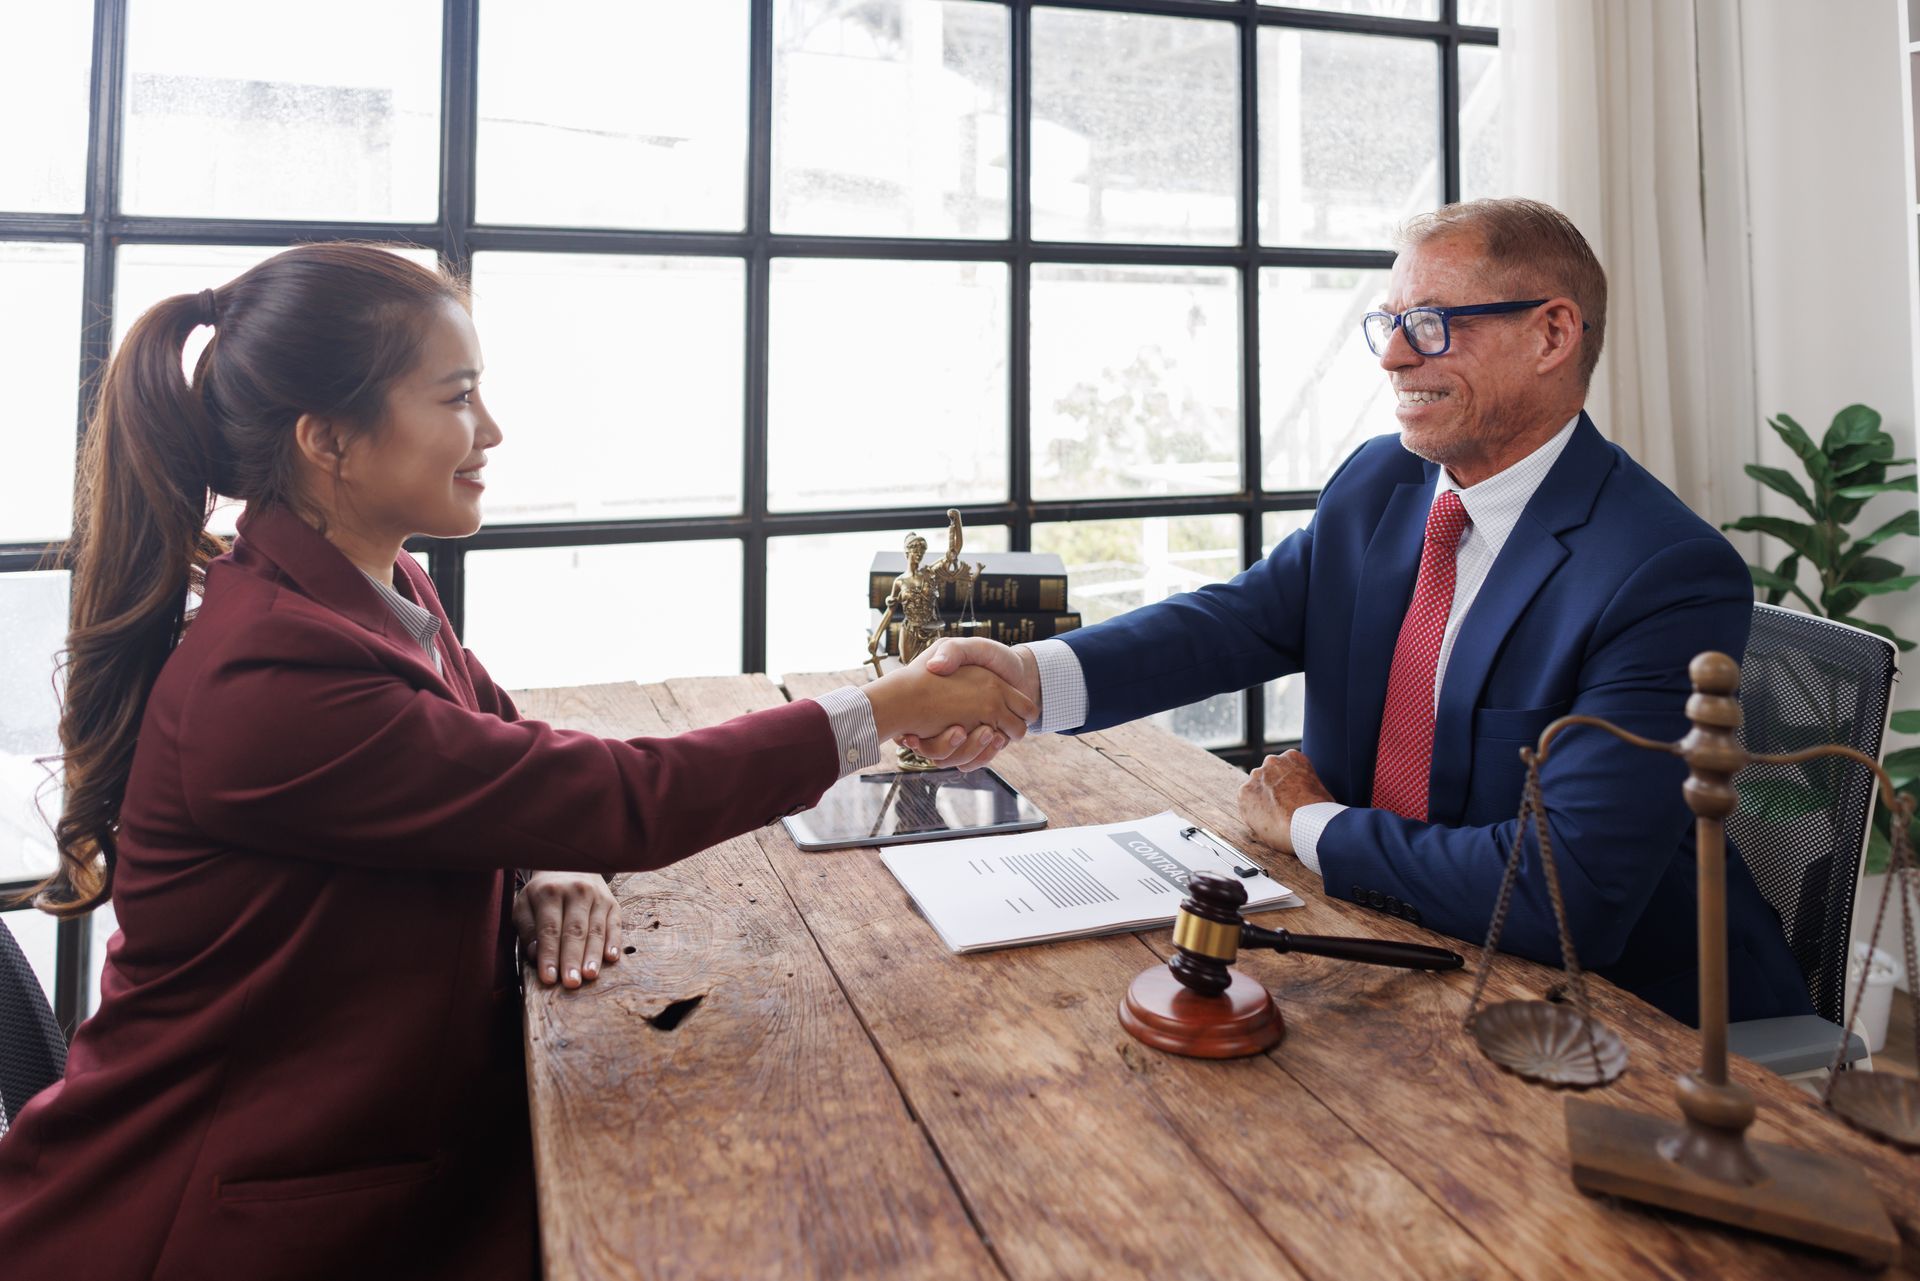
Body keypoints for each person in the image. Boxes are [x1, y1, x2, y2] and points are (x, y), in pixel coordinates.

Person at [0, 244, 1035, 1280]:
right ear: (327, 440)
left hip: (359, 1170)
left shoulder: (370, 586)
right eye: (456, 398)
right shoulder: (275, 675)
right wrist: (881, 710)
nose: (490, 431)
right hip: (215, 1221)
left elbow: (512, 769)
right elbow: (620, 798)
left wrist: (544, 856)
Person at [905, 198, 1810, 1028]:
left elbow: (1559, 892)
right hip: (1386, 949)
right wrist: (1028, 679)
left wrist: (1307, 823)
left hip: (1620, 1022)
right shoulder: (1384, 482)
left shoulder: (1664, 572)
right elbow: (1240, 620)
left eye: (1431, 325)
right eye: (1389, 324)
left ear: (1552, 333)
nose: (1392, 356)